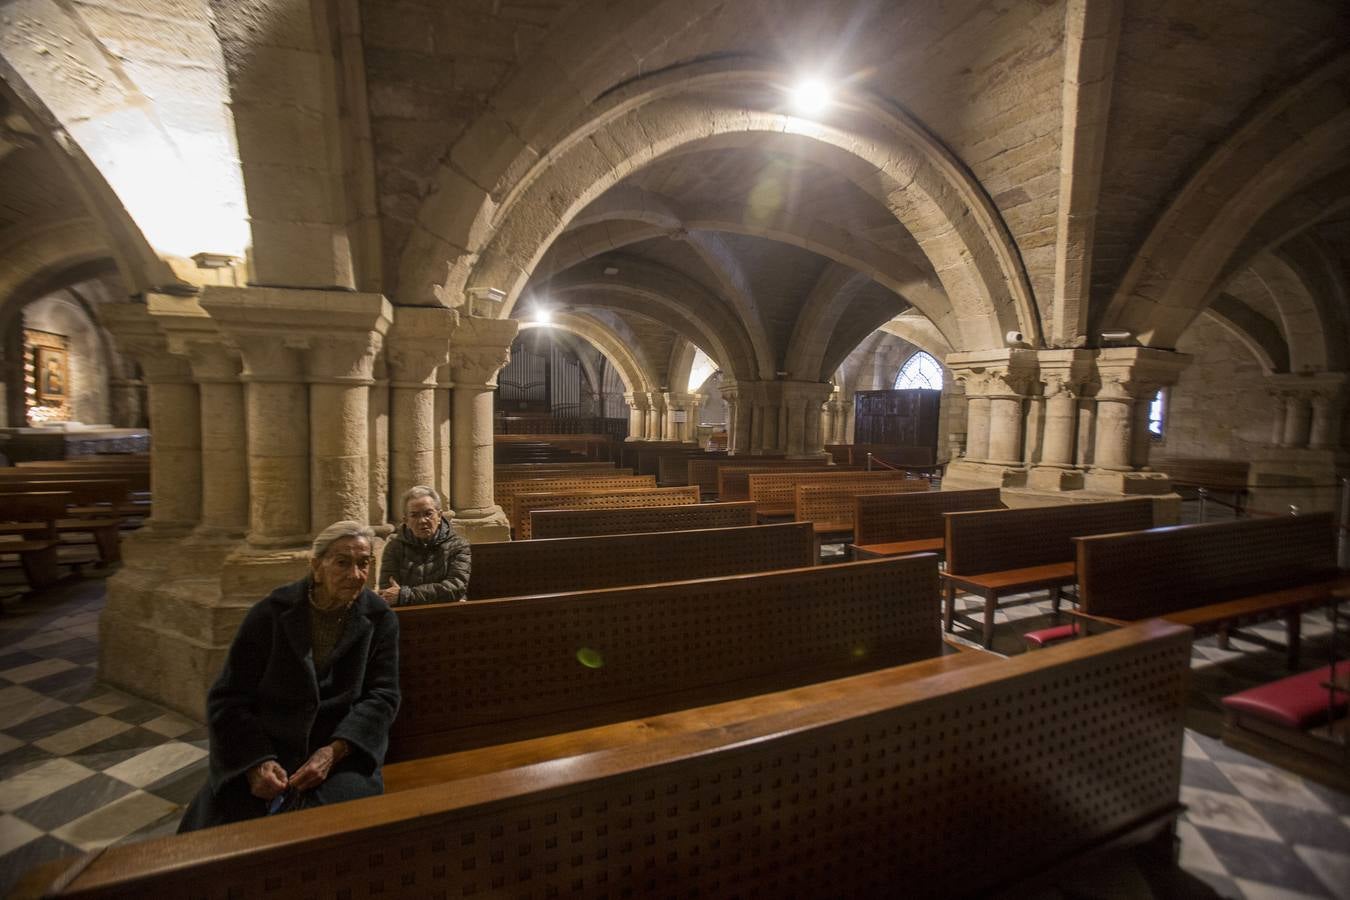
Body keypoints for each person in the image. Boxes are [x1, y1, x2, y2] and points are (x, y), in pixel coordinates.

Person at [178, 521, 400, 831]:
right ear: (316, 566)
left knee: (328, 825)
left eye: (364, 564)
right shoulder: (271, 613)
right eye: (342, 563)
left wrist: (334, 751)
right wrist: (256, 762)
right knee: (226, 825)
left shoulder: (379, 618)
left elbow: (383, 696)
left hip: (339, 749)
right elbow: (228, 698)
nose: (356, 575)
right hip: (271, 743)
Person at [379, 485, 471, 605]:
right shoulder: (394, 547)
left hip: (447, 613)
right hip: (408, 616)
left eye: (428, 514)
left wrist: (405, 596)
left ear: (439, 516)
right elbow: (389, 593)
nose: (422, 520)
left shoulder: (458, 545)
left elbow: (455, 588)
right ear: (405, 520)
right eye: (414, 515)